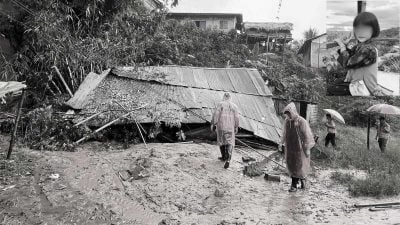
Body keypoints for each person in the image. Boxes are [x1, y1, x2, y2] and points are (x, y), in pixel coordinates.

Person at [327, 12, 393, 96]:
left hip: (363, 88)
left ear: (374, 31)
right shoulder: (361, 46)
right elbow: (351, 55)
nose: (361, 33)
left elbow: (347, 63)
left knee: (331, 89)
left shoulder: (369, 49)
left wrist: (342, 45)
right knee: (336, 82)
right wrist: (346, 46)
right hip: (358, 83)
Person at [280, 102, 315, 192]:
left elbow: (306, 135)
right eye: (286, 113)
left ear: (293, 112)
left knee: (298, 165)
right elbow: (284, 133)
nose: (288, 115)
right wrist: (281, 143)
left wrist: (306, 147)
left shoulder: (301, 121)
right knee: (291, 165)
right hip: (290, 147)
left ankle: (294, 185)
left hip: (299, 148)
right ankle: (303, 181)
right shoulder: (287, 122)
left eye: (289, 113)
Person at [211, 93, 239, 169]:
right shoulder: (234, 106)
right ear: (230, 98)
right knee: (230, 142)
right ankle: (228, 159)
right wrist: (236, 127)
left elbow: (216, 115)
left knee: (221, 141)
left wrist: (214, 124)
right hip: (230, 127)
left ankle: (223, 157)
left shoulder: (220, 104)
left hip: (221, 127)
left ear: (224, 97)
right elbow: (236, 118)